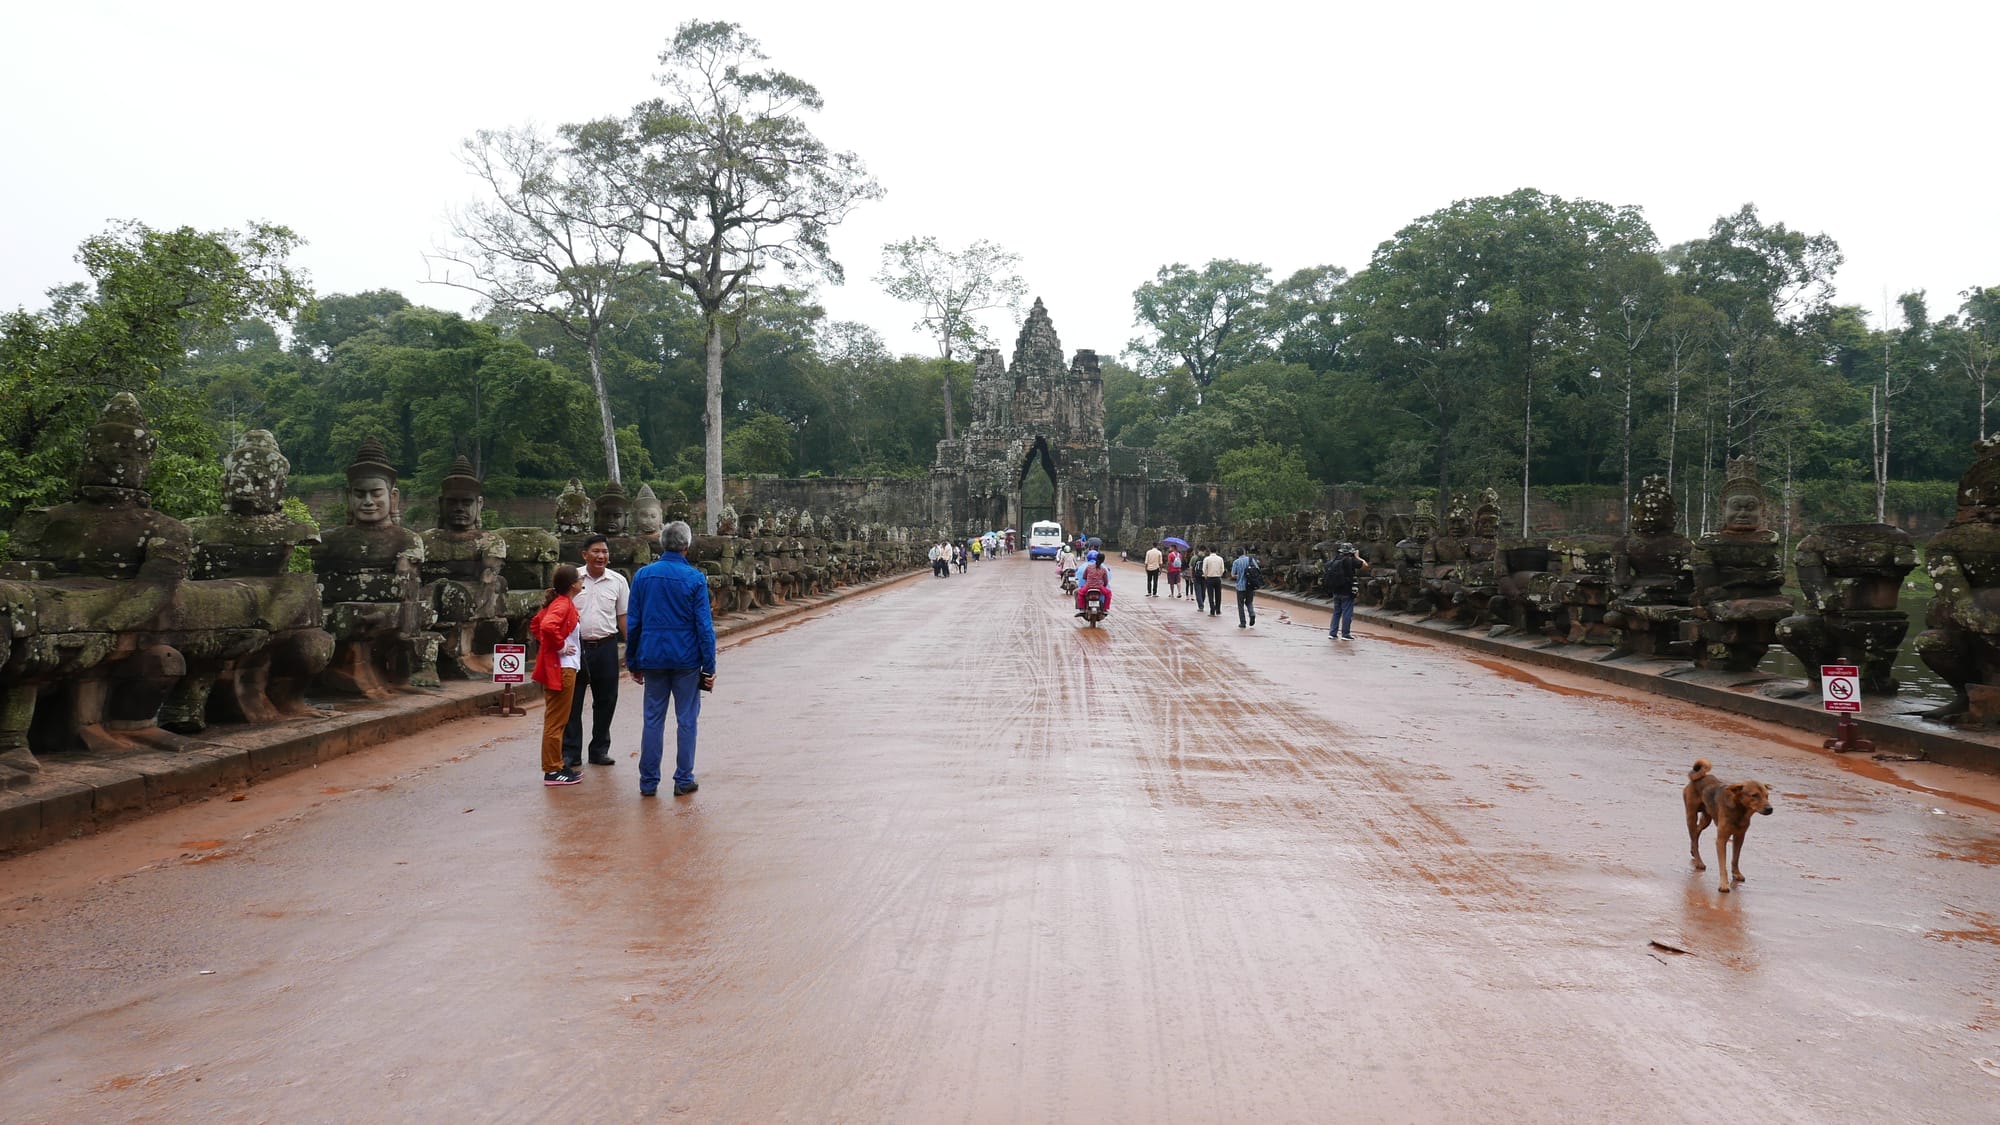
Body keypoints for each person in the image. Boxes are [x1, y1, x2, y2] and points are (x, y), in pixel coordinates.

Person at [626, 520, 716, 798]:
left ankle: (648, 781)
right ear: (687, 547)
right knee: (687, 719)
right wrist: (709, 665)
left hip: (652, 655)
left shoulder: (643, 576)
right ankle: (683, 778)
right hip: (686, 657)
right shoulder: (694, 578)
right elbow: (704, 626)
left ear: (662, 544)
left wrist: (633, 661)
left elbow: (634, 622)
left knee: (653, 719)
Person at [559, 535, 630, 770]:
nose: (601, 556)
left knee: (606, 699)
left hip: (606, 646)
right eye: (596, 551)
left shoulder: (618, 581)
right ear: (584, 554)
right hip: (575, 648)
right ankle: (571, 752)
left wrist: (632, 646)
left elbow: (623, 616)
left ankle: (599, 749)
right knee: (572, 701)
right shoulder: (572, 579)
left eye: (605, 552)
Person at [530, 564, 583, 786]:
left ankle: (556, 765)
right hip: (562, 668)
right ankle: (552, 769)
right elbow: (547, 626)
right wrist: (559, 646)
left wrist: (551, 646)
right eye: (580, 579)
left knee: (558, 719)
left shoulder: (560, 603)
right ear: (572, 585)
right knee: (556, 720)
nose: (582, 581)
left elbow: (536, 625)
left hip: (562, 666)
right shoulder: (562, 605)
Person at [1323, 542, 1369, 640]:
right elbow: (1365, 565)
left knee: (1336, 612)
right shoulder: (1351, 561)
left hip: (1336, 590)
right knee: (1347, 612)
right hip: (1347, 590)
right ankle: (1345, 634)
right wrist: (1358, 557)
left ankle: (1332, 633)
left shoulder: (1335, 560)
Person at [1075, 549, 1113, 615]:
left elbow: (1084, 577)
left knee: (1080, 593)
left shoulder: (1088, 567)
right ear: (1103, 561)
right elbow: (1106, 581)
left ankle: (1082, 609)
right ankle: (1105, 609)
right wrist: (1103, 586)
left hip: (1088, 586)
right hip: (1099, 587)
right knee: (1109, 593)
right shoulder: (1103, 569)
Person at [1230, 546, 1260, 628]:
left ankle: (1243, 622)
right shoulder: (1251, 559)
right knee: (1249, 602)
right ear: (1244, 552)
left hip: (1240, 586)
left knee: (1240, 604)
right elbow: (1257, 569)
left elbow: (1232, 575)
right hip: (1250, 585)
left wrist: (1239, 576)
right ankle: (1252, 613)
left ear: (1237, 554)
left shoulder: (1236, 562)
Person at [1202, 545, 1227, 617]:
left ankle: (1212, 610)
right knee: (1218, 594)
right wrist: (1220, 574)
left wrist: (1206, 575)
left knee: (1210, 595)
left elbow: (1204, 569)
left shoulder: (1207, 559)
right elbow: (1222, 569)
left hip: (1210, 578)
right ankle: (1218, 610)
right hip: (1218, 578)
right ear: (1216, 551)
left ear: (1209, 550)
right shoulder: (1220, 559)